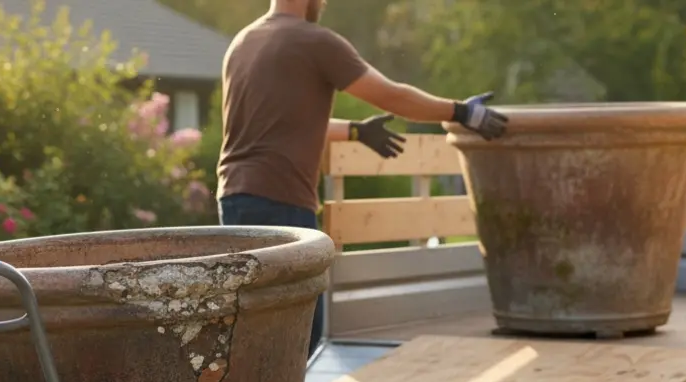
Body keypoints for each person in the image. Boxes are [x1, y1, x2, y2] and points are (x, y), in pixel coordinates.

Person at [216, 0, 509, 359]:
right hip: (282, 201)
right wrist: (462, 112)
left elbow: (279, 124)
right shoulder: (315, 41)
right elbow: (393, 95)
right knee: (300, 333)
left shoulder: (243, 42)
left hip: (234, 198)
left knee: (254, 325)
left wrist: (355, 132)